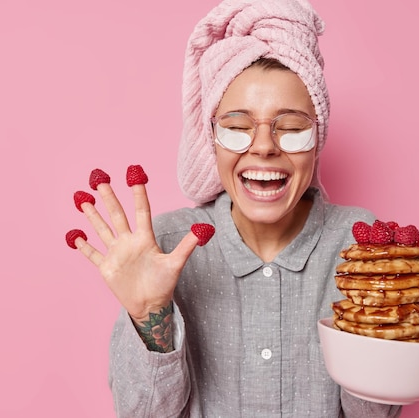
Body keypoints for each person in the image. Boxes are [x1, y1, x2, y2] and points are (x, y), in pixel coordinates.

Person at [68, 0, 402, 416]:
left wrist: (382, 325)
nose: (263, 145)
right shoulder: (166, 247)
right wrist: (151, 314)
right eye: (238, 128)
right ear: (212, 140)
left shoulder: (359, 245)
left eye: (293, 128)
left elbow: (373, 414)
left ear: (318, 139)